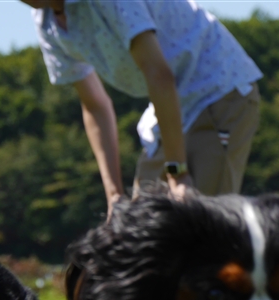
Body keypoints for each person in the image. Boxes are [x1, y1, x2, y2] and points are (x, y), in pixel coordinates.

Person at [22, 0, 263, 217]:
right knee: (137, 226)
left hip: (217, 88)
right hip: (168, 104)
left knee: (199, 225)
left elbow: (159, 74)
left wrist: (178, 174)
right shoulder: (46, 21)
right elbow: (94, 104)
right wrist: (114, 195)